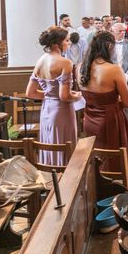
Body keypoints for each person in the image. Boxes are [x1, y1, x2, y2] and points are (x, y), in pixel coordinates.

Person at [79, 31, 128, 177]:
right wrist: (112, 104)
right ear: (110, 46)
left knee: (96, 156)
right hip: (110, 120)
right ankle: (114, 189)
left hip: (89, 119)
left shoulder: (80, 68)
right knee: (113, 159)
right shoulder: (113, 69)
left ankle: (96, 187)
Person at [26, 26, 83, 165]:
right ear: (57, 43)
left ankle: (52, 178)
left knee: (50, 145)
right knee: (65, 145)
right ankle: (66, 180)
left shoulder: (40, 60)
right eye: (67, 40)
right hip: (62, 111)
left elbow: (30, 93)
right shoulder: (65, 62)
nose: (69, 43)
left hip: (46, 110)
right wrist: (77, 96)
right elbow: (64, 96)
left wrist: (50, 95)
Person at [111, 22, 128, 129]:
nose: (123, 33)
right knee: (113, 105)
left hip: (127, 79)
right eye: (120, 31)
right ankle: (115, 130)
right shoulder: (109, 44)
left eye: (124, 31)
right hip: (111, 79)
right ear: (113, 33)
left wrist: (126, 76)